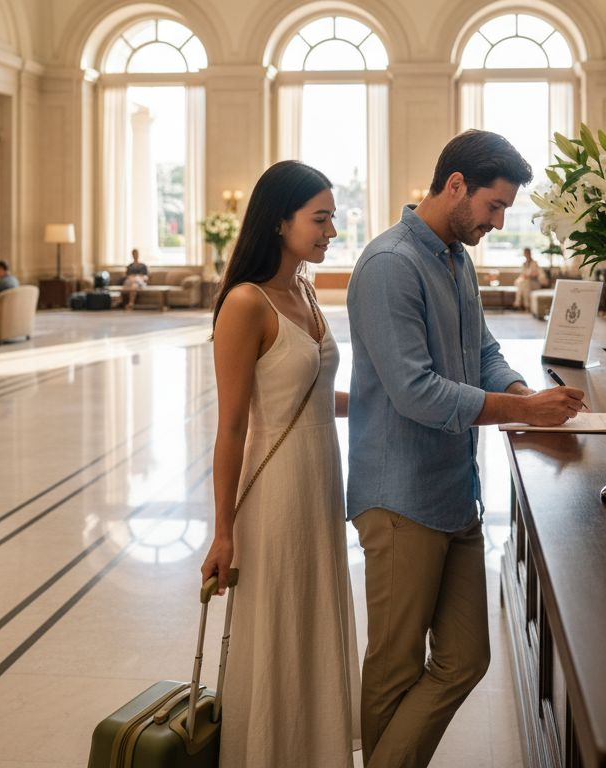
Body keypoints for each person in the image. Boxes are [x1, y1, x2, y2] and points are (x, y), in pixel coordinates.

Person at [347, 130, 586, 768]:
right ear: (455, 185)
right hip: (399, 496)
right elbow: (416, 392)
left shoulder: (456, 257)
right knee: (395, 668)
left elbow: (480, 350)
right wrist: (520, 411)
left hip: (455, 490)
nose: (498, 221)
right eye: (493, 206)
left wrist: (518, 389)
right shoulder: (390, 264)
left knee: (465, 658)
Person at [198, 160, 359, 768]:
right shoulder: (247, 303)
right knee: (277, 632)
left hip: (321, 485)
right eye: (320, 220)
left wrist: (397, 403)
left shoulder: (306, 290)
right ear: (279, 221)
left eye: (332, 220)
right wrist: (222, 531)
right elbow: (233, 427)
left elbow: (317, 396)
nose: (330, 232)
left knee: (312, 624)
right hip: (276, 493)